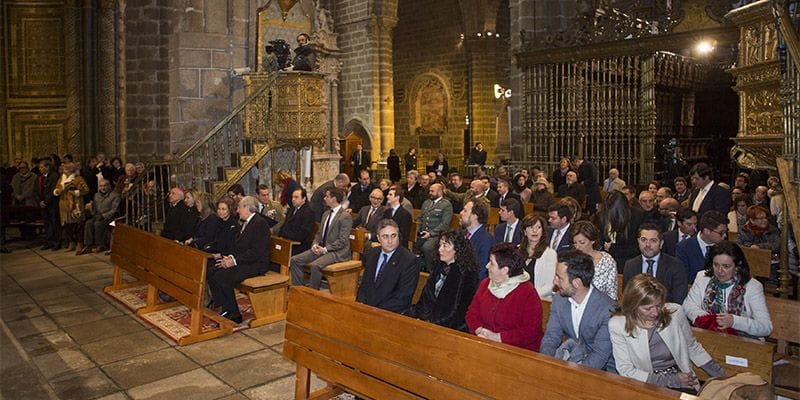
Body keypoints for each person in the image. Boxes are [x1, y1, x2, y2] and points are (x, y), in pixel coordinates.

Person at [610, 275, 725, 393]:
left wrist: (723, 378)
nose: (655, 313)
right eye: (648, 308)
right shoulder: (618, 325)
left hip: (682, 378)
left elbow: (692, 347)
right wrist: (672, 381)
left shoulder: (675, 313)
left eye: (658, 306)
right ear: (633, 306)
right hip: (645, 383)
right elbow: (626, 370)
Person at [540, 250, 616, 372]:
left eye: (559, 278)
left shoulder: (607, 309)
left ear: (576, 283)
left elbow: (599, 356)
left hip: (601, 373)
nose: (554, 282)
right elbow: (551, 337)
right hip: (570, 363)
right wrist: (546, 364)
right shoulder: (559, 300)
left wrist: (572, 375)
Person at [682, 241, 773, 340]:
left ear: (738, 266)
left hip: (743, 341)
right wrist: (710, 320)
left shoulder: (752, 287)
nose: (720, 270)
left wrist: (734, 321)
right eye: (716, 265)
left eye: (726, 266)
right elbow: (688, 305)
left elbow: (766, 327)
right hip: (708, 335)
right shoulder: (702, 277)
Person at [466, 243, 543, 351]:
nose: (487, 266)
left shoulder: (528, 293)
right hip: (484, 342)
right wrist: (480, 330)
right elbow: (472, 314)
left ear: (505, 270)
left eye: (492, 263)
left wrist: (498, 338)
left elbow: (530, 331)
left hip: (517, 350)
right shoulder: (485, 284)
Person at [207, 196, 271, 324]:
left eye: (239, 207)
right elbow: (239, 246)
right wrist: (229, 257)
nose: (237, 211)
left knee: (223, 276)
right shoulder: (246, 222)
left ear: (247, 208)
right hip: (246, 261)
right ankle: (224, 306)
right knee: (212, 271)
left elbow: (256, 251)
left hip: (256, 264)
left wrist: (234, 261)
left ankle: (234, 314)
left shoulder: (260, 223)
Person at [411, 230, 480, 331]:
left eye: (445, 246)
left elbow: (459, 312)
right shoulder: (439, 266)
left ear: (457, 249)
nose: (440, 249)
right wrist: (420, 317)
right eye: (440, 245)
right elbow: (425, 298)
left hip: (449, 326)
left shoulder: (468, 274)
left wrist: (433, 324)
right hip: (428, 320)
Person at [290, 187, 353, 289]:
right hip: (321, 248)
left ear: (334, 198)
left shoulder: (345, 216)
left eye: (327, 196)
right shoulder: (326, 214)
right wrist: (315, 244)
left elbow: (342, 241)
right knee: (295, 260)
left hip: (336, 252)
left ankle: (313, 292)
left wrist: (325, 249)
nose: (324, 198)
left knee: (315, 266)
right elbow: (319, 234)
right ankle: (299, 289)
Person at [356, 219, 419, 314]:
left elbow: (402, 298)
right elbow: (364, 286)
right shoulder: (372, 254)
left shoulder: (409, 261)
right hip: (367, 310)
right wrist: (360, 305)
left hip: (390, 313)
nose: (390, 241)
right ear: (378, 238)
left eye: (393, 236)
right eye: (385, 236)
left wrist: (375, 311)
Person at [623, 223, 688, 304]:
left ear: (661, 244)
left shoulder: (675, 265)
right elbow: (627, 298)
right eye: (643, 240)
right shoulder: (630, 265)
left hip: (666, 309)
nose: (647, 245)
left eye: (653, 241)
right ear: (638, 242)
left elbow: (679, 300)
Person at [596, 191, 645, 269]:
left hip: (628, 263)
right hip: (606, 262)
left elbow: (638, 247)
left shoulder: (637, 217)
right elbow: (599, 241)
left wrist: (613, 248)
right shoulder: (602, 216)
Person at [570, 221, 618, 300]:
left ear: (593, 241)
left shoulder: (607, 261)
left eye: (582, 243)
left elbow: (612, 295)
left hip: (600, 304)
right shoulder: (572, 259)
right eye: (575, 243)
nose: (577, 247)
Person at [677, 211, 729, 284]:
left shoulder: (726, 247)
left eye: (726, 232)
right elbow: (683, 278)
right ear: (707, 231)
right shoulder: (684, 247)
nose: (725, 235)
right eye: (721, 233)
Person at [413, 183, 453, 270]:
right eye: (429, 191)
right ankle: (417, 268)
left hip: (437, 235)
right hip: (423, 233)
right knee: (412, 243)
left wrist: (431, 234)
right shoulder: (426, 203)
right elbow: (420, 218)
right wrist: (417, 230)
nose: (430, 193)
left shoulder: (446, 205)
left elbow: (445, 224)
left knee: (427, 247)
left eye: (432, 191)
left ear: (440, 192)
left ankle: (430, 270)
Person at [519, 214, 557, 299]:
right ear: (524, 231)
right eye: (531, 227)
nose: (535, 231)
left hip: (539, 298)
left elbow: (550, 285)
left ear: (542, 232)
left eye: (538, 227)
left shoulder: (550, 254)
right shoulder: (517, 251)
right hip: (517, 297)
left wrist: (529, 296)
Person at [54, 162, 89, 254]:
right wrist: (57, 191)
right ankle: (71, 242)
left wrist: (75, 192)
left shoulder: (78, 178)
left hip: (75, 204)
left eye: (65, 169)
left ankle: (79, 243)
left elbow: (86, 190)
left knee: (78, 225)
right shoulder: (61, 178)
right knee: (67, 225)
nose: (64, 171)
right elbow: (57, 188)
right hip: (64, 204)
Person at [79, 179, 120, 254]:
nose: (103, 188)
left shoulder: (115, 195)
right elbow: (94, 208)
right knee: (89, 223)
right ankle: (88, 245)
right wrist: (93, 214)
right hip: (98, 216)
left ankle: (100, 245)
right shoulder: (96, 195)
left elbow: (114, 210)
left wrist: (104, 216)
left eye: (105, 186)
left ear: (108, 186)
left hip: (110, 217)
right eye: (101, 186)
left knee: (98, 224)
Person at [460, 199, 495, 279]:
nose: (461, 213)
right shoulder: (461, 234)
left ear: (475, 216)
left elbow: (482, 272)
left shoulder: (486, 240)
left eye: (465, 211)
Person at [278, 188, 315, 255]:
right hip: (287, 241)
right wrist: (280, 236)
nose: (293, 199)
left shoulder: (308, 213)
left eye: (296, 197)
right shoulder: (292, 209)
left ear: (304, 198)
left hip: (299, 245)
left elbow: (303, 234)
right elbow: (285, 225)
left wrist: (286, 236)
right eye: (292, 197)